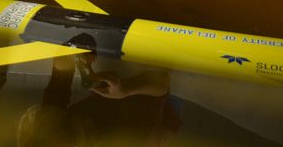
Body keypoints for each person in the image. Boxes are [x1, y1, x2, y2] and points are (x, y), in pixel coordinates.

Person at [17, 53, 182, 146]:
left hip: (107, 104)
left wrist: (73, 56)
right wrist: (126, 89)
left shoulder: (46, 129)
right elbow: (162, 82)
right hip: (163, 115)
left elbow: (58, 83)